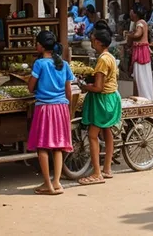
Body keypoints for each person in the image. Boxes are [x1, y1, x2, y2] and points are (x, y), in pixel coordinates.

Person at [27, 30, 74, 195]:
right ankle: (56, 182)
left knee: (42, 146)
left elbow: (30, 87)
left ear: (40, 46)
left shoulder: (40, 64)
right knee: (58, 146)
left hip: (45, 108)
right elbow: (68, 91)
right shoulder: (64, 64)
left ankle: (47, 184)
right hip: (61, 108)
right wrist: (68, 109)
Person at [79, 26, 122, 185]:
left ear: (97, 42)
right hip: (112, 98)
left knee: (92, 135)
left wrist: (84, 86)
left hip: (103, 100)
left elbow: (98, 87)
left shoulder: (102, 60)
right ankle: (107, 168)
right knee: (107, 131)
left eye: (92, 39)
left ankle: (97, 173)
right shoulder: (109, 56)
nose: (91, 41)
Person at [127, 3, 153, 101]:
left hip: (140, 52)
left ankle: (143, 97)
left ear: (135, 13)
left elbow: (138, 34)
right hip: (143, 50)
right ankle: (141, 95)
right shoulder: (143, 22)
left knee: (140, 75)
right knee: (142, 74)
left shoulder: (139, 23)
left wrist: (130, 35)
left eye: (131, 11)